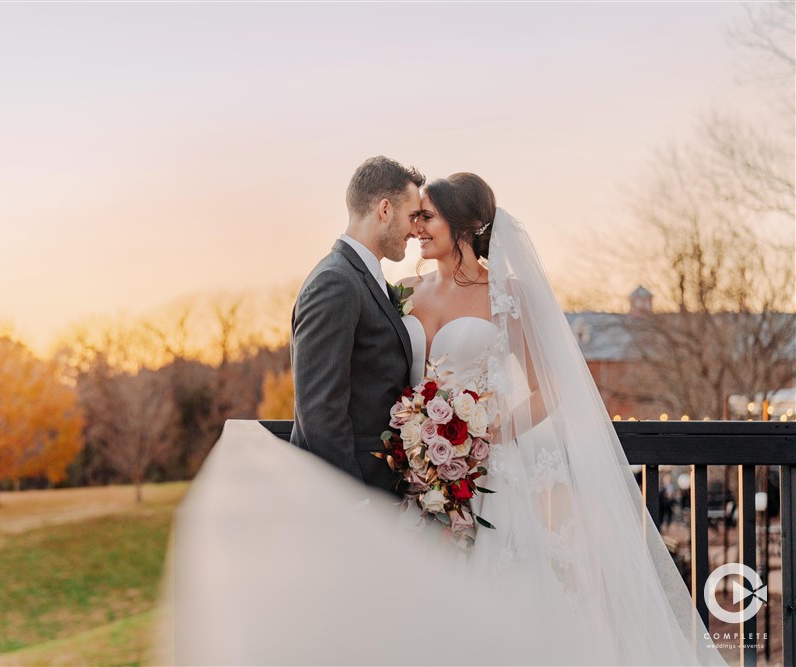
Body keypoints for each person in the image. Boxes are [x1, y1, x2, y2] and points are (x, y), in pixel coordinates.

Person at [160, 170, 727, 666]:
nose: (416, 228)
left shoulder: (508, 294)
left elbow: (547, 390)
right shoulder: (401, 292)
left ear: (461, 226)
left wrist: (487, 433)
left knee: (504, 599)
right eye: (414, 215)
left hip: (490, 477)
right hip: (416, 478)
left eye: (427, 216)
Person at [289, 155, 423, 492]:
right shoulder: (335, 282)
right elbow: (320, 413)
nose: (416, 229)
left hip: (381, 483)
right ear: (384, 210)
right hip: (353, 493)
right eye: (411, 216)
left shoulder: (368, 278)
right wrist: (355, 505)